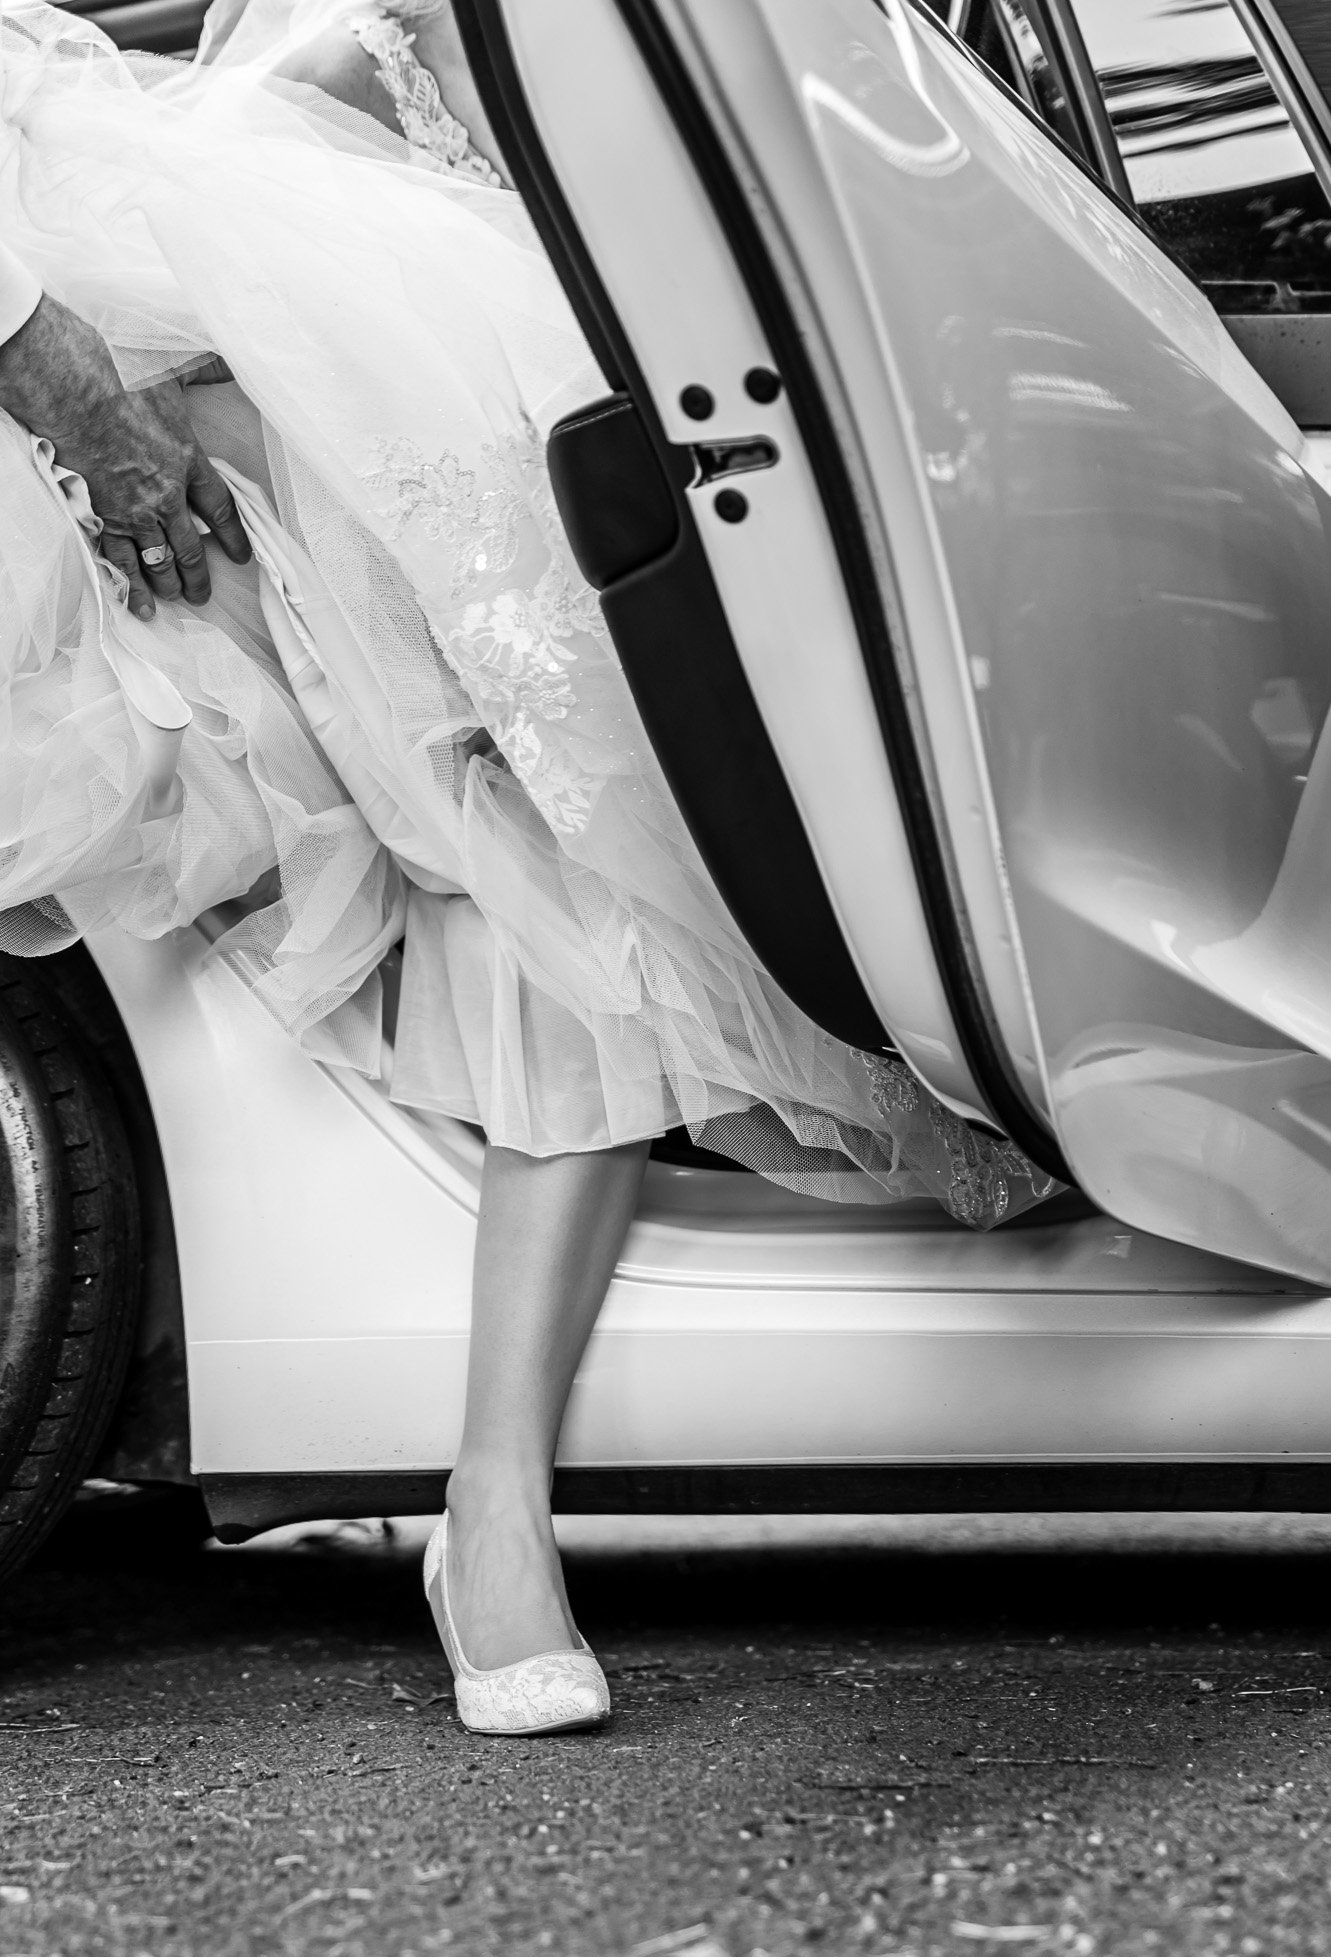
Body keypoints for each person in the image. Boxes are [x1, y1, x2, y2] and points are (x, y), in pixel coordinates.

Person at [0, 0, 1055, 1735]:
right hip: (298, 446)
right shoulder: (303, 119)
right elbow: (262, 200)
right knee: (564, 880)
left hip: (478, 455)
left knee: (567, 895)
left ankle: (494, 1513)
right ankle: (492, 1519)